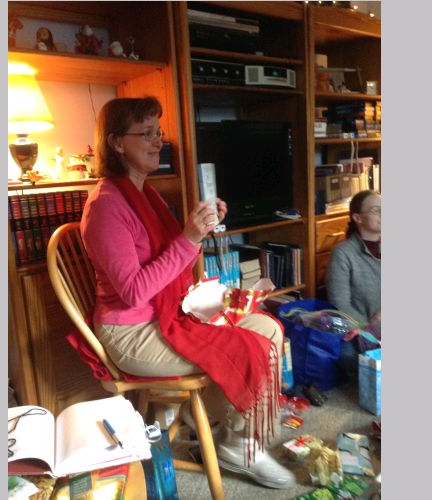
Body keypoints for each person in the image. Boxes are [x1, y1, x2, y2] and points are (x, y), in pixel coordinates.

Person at [80, 96, 295, 489]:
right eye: (146, 133)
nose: (158, 141)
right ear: (116, 142)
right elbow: (134, 292)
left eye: (158, 132)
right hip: (131, 332)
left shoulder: (147, 195)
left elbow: (175, 262)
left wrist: (200, 231)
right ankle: (240, 445)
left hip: (169, 312)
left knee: (267, 329)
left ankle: (226, 426)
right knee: (247, 345)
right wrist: (189, 237)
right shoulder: (106, 207)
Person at [325, 189, 381, 377]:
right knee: (347, 355)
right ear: (357, 218)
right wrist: (369, 327)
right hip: (362, 329)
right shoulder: (343, 253)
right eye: (376, 210)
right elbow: (340, 304)